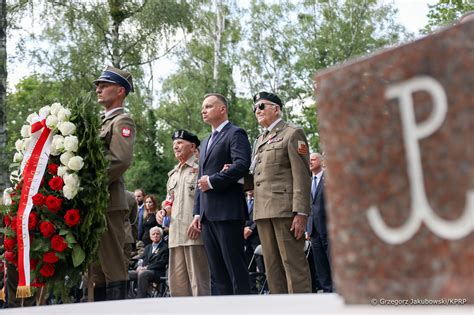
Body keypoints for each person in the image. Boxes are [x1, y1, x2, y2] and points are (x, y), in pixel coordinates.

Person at [188, 93, 252, 295]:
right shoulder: (205, 141)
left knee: (235, 270)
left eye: (208, 106)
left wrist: (213, 181)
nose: (203, 110)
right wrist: (197, 213)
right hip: (207, 216)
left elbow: (242, 165)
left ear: (222, 109)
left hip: (228, 213)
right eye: (202, 107)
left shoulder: (236, 133)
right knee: (218, 275)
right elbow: (200, 179)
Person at [251, 91, 312, 294]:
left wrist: (301, 212)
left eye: (261, 106)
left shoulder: (292, 133)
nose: (256, 110)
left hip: (285, 211)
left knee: (293, 266)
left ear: (276, 109)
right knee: (273, 270)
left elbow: (302, 175)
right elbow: (256, 176)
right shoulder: (260, 140)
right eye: (254, 108)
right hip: (262, 212)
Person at [90, 66, 135, 301]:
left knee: (113, 267)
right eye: (98, 85)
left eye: (104, 85)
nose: (98, 89)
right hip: (96, 205)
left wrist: (89, 181)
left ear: (120, 91)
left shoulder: (122, 120)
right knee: (96, 271)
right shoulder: (99, 122)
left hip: (109, 202)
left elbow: (120, 159)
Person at [156, 129, 211, 296]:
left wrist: (200, 220)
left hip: (195, 234)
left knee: (199, 285)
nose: (175, 146)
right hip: (175, 236)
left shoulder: (202, 168)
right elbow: (169, 201)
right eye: (174, 144)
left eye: (179, 143)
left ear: (193, 146)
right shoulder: (172, 174)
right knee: (177, 286)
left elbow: (207, 199)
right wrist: (163, 211)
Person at [307, 152, 333, 292]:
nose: (310, 162)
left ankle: (337, 290)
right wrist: (307, 228)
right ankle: (327, 290)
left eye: (313, 159)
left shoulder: (329, 178)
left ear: (321, 161)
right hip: (313, 230)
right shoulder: (308, 181)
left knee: (332, 261)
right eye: (309, 160)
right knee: (320, 264)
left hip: (328, 227)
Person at [128, 227, 169, 299]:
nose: (155, 235)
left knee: (143, 274)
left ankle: (140, 299)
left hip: (157, 272)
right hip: (144, 270)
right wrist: (139, 266)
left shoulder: (165, 247)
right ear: (150, 237)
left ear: (161, 236)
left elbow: (161, 263)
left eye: (157, 234)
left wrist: (146, 268)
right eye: (153, 234)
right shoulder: (148, 247)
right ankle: (127, 297)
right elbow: (142, 258)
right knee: (128, 274)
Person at [243, 190, 265, 294]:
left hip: (257, 237)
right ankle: (252, 291)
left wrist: (251, 229)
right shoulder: (242, 199)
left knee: (261, 265)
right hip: (245, 238)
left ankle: (264, 288)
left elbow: (260, 216)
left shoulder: (260, 199)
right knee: (248, 265)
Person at [124, 190, 138, 270]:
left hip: (109, 235)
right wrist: (134, 240)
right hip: (126, 235)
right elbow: (133, 221)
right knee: (124, 266)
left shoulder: (107, 193)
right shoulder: (131, 196)